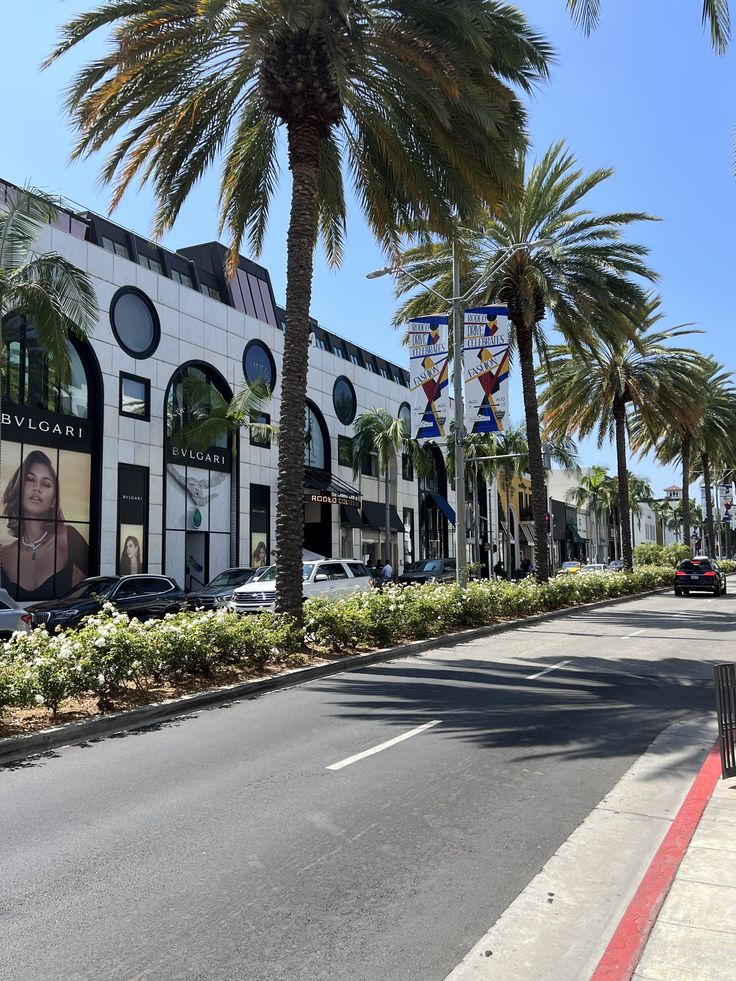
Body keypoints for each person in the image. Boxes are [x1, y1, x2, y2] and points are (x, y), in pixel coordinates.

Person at [0, 449, 87, 601]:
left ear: (54, 500)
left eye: (46, 484)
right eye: (30, 479)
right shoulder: (3, 552)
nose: (37, 488)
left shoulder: (68, 538)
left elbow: (96, 592)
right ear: (19, 488)